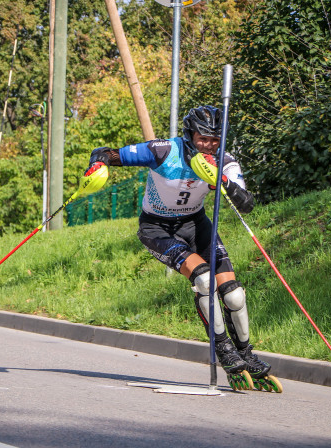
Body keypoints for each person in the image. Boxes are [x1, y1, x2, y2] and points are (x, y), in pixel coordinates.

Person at [82, 105, 277, 390]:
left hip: (196, 225)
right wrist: (97, 164)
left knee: (234, 296)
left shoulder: (224, 160)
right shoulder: (162, 150)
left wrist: (220, 180)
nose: (209, 145)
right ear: (189, 135)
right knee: (204, 280)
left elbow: (246, 204)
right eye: (203, 139)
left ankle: (246, 354)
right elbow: (107, 153)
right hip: (157, 228)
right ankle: (224, 351)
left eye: (215, 140)